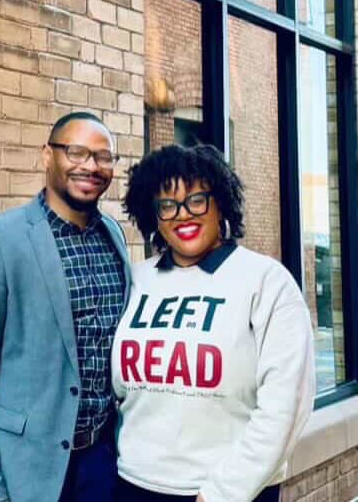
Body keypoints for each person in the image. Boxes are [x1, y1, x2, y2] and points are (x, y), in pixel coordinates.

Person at [112, 143, 314, 502]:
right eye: (167, 205)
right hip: (132, 485)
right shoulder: (136, 280)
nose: (183, 215)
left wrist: (221, 493)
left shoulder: (266, 282)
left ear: (220, 202)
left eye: (196, 200)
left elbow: (286, 405)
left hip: (227, 493)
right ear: (153, 215)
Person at [0, 111, 132, 502]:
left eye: (103, 157)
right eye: (76, 152)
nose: (91, 166)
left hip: (101, 464)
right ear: (47, 155)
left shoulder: (113, 236)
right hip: (24, 470)